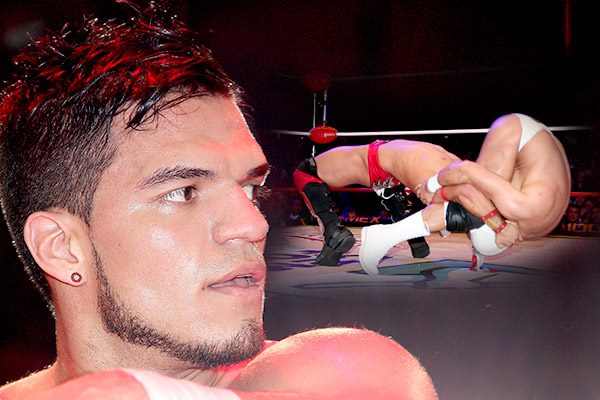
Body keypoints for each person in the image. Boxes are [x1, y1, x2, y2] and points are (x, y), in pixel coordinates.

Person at [0, 1, 437, 399]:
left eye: (250, 189)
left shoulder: (348, 372)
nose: (254, 225)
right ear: (62, 247)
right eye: (182, 192)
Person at [359, 113, 571, 274]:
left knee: (473, 205)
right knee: (475, 202)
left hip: (539, 139)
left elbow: (467, 196)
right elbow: (465, 170)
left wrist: (440, 196)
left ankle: (382, 236)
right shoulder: (521, 211)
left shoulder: (524, 217)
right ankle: (382, 236)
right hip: (517, 131)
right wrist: (430, 186)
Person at [293, 138, 511, 266]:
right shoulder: (460, 176)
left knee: (303, 172)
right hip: (394, 163)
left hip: (388, 159)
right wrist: (490, 236)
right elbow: (470, 203)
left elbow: (467, 203)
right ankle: (416, 240)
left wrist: (497, 229)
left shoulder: (455, 172)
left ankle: (333, 232)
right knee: (452, 205)